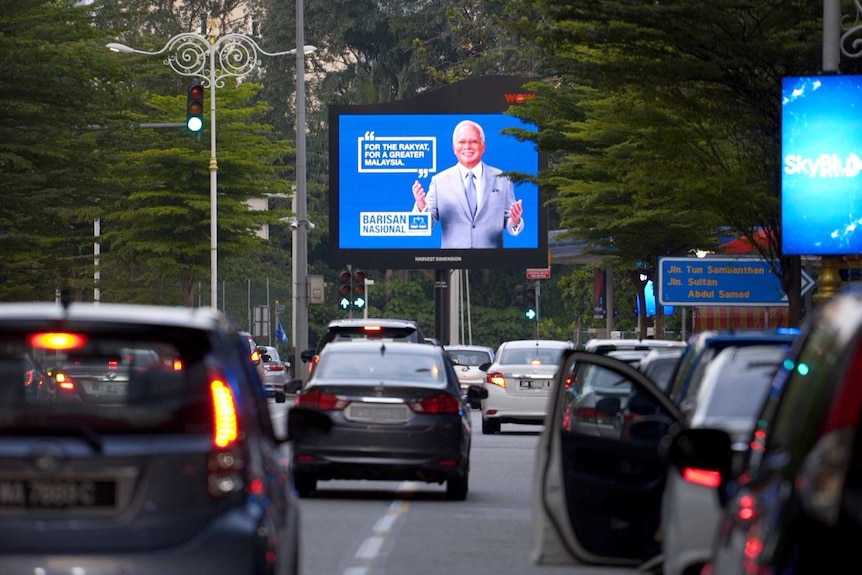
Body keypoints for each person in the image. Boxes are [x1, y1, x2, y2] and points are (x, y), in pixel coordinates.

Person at [411, 120, 524, 249]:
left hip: (492, 262)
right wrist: (421, 208)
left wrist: (515, 221)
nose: (467, 146)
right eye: (462, 142)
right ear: (454, 148)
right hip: (451, 262)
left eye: (474, 141)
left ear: (483, 147)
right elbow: (425, 226)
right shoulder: (439, 181)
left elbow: (510, 223)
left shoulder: (502, 178)